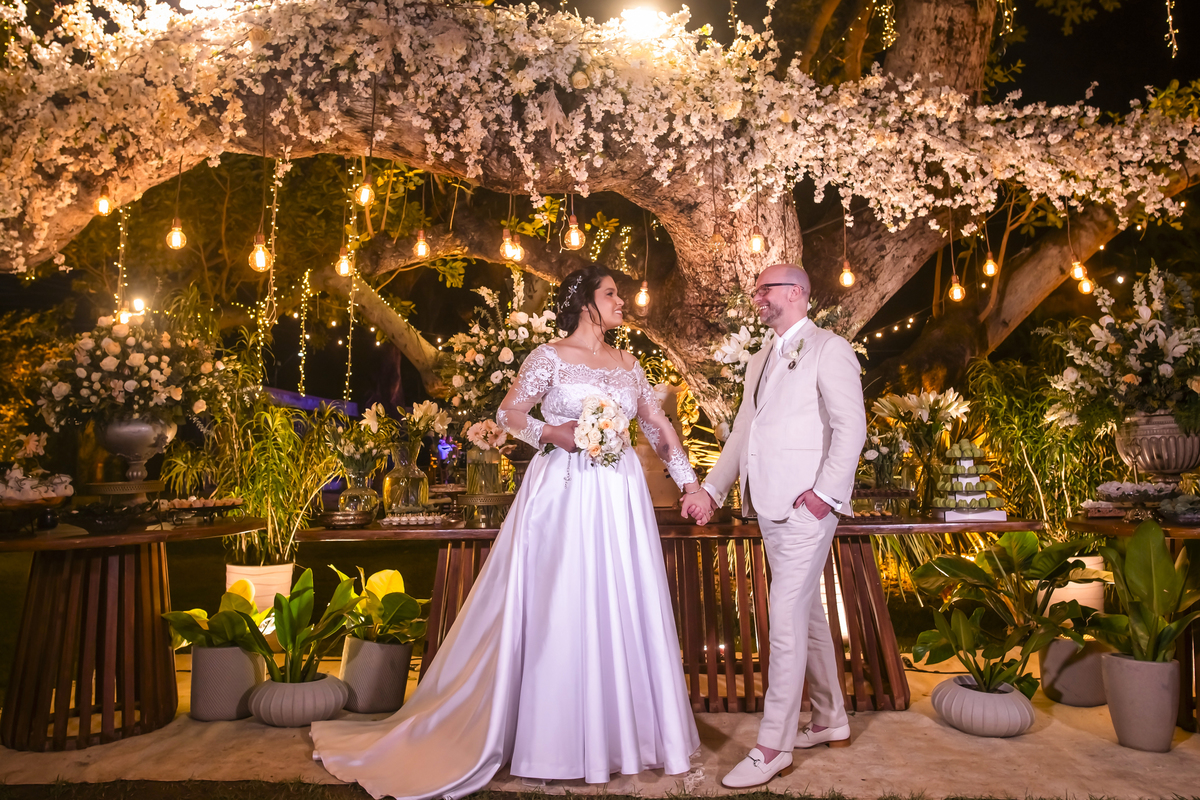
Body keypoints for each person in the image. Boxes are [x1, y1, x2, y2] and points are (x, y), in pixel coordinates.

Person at [311, 265, 701, 800]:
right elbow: (509, 412)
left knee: (621, 598)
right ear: (585, 302)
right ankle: (554, 739)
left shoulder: (629, 365)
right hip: (563, 491)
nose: (621, 302)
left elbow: (657, 426)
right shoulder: (548, 357)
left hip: (619, 495)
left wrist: (690, 484)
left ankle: (622, 736)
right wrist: (553, 432)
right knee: (560, 599)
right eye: (611, 293)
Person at [681, 263, 866, 789]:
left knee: (783, 620)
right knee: (805, 615)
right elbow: (744, 430)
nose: (757, 296)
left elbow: (852, 426)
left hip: (808, 508)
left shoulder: (830, 348)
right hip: (767, 506)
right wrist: (712, 490)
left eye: (766, 288)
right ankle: (830, 719)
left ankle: (773, 747)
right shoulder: (761, 357)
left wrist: (824, 496)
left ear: (797, 293)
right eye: (756, 289)